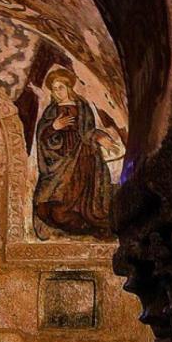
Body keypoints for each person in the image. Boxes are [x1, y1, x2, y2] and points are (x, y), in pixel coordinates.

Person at [32, 67, 113, 239]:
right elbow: (42, 135)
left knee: (78, 202)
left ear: (69, 88)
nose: (57, 92)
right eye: (54, 89)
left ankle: (87, 228)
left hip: (81, 157)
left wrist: (100, 137)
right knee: (44, 205)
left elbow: (87, 131)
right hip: (57, 159)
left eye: (60, 87)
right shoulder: (51, 111)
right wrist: (54, 127)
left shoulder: (82, 107)